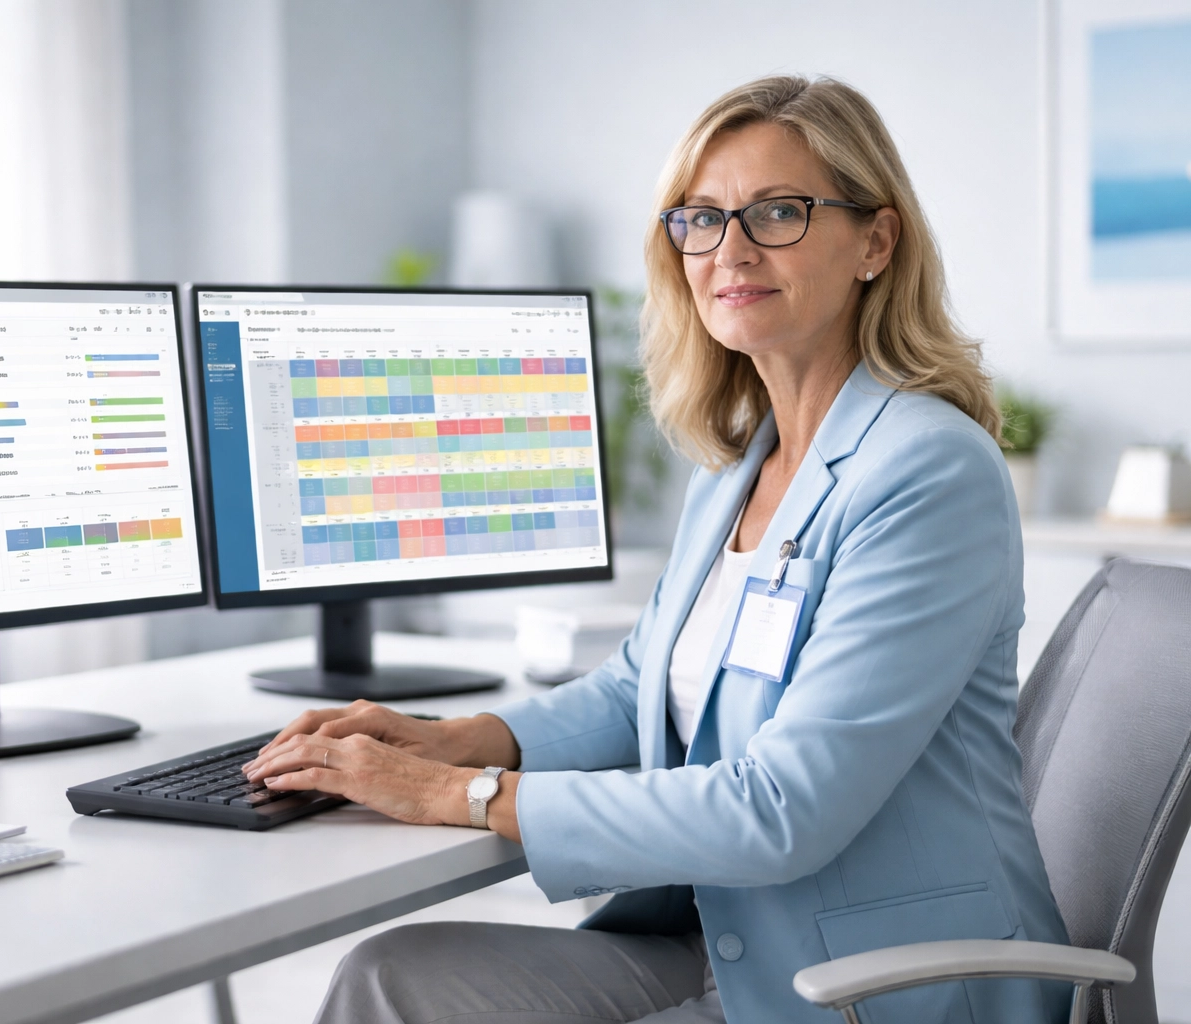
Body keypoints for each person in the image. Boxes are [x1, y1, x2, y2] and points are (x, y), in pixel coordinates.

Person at [242, 74, 1071, 1024]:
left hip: (877, 982)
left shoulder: (928, 472)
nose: (731, 250)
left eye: (778, 213)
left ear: (876, 242)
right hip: (723, 935)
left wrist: (462, 793)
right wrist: (462, 737)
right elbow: (646, 681)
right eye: (702, 219)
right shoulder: (738, 462)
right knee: (390, 978)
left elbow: (778, 810)